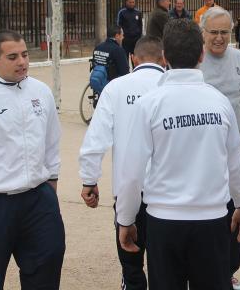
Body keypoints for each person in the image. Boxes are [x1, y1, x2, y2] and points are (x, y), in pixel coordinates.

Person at [116, 21, 240, 290]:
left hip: (164, 222)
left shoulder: (149, 104)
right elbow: (234, 164)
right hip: (212, 220)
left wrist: (126, 219)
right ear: (201, 54)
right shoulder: (219, 102)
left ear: (165, 56)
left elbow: (132, 174)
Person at [0, 30, 65, 289]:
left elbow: (51, 142)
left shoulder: (41, 92)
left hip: (38, 200)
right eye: (12, 57)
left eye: (24, 55)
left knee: (47, 267)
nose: (22, 62)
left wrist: (51, 185)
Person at [79, 36, 166, 290]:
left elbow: (96, 140)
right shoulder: (172, 87)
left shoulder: (115, 89)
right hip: (168, 196)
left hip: (129, 193)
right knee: (167, 267)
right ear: (164, 59)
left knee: (131, 263)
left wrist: (89, 180)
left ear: (132, 58)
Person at [199, 8, 240, 290]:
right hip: (200, 160)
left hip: (235, 156)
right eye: (213, 32)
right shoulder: (192, 64)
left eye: (225, 32)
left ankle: (228, 272)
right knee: (203, 218)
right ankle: (200, 273)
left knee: (237, 213)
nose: (219, 38)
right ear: (202, 32)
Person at [117, 0, 143, 64]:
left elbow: (141, 25)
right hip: (125, 40)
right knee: (125, 59)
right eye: (130, 2)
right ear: (126, 2)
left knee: (135, 59)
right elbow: (118, 26)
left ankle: (135, 72)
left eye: (133, 2)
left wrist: (140, 37)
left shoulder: (138, 12)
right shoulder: (122, 12)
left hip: (136, 40)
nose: (131, 4)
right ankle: (126, 72)